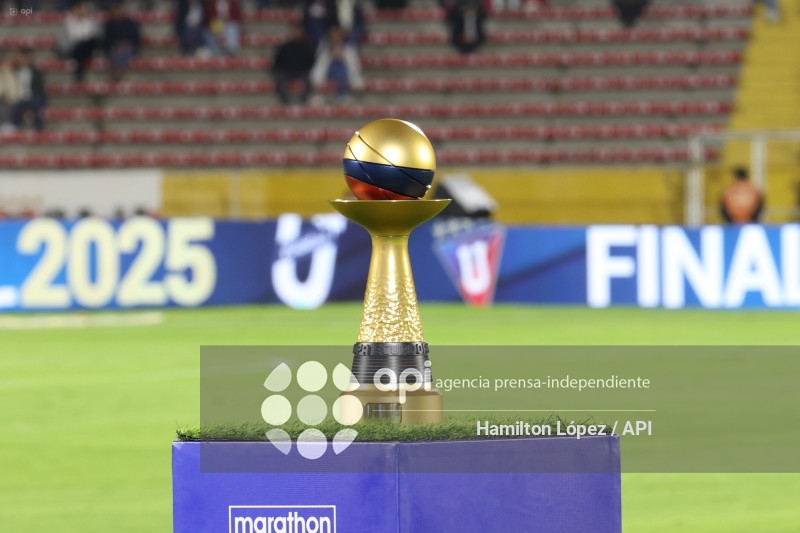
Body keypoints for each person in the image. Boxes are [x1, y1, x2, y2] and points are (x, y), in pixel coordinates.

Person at [310, 26, 364, 103]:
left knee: (342, 73)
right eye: (333, 34)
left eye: (337, 34)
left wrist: (343, 56)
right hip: (328, 69)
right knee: (315, 76)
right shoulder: (324, 45)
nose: (335, 37)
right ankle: (318, 96)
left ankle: (342, 95)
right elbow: (319, 60)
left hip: (342, 70)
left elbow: (353, 63)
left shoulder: (348, 47)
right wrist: (330, 56)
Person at [272, 23, 316, 105]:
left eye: (298, 31)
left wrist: (305, 68)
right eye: (294, 31)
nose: (296, 33)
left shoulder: (306, 46)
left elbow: (312, 61)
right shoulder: (284, 46)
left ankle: (303, 100)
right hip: (285, 72)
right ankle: (285, 101)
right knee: (278, 81)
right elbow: (278, 61)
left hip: (302, 72)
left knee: (309, 82)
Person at [59, 1, 101, 82]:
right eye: (78, 9)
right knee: (80, 48)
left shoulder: (90, 22)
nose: (81, 11)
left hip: (88, 47)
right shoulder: (68, 22)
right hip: (74, 48)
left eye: (82, 9)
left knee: (88, 43)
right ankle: (81, 68)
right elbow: (64, 41)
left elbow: (96, 37)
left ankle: (79, 69)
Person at [103, 1, 141, 81]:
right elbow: (106, 40)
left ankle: (118, 75)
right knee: (113, 53)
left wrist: (124, 45)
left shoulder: (130, 23)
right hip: (114, 48)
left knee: (125, 52)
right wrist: (116, 47)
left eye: (119, 9)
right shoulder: (110, 24)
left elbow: (135, 39)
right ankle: (115, 74)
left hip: (128, 47)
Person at [0, 51, 20, 132]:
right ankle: (6, 124)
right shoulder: (4, 71)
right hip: (3, 97)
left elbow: (15, 87)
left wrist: (14, 97)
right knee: (3, 103)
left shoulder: (11, 72)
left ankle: (8, 124)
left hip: (11, 98)